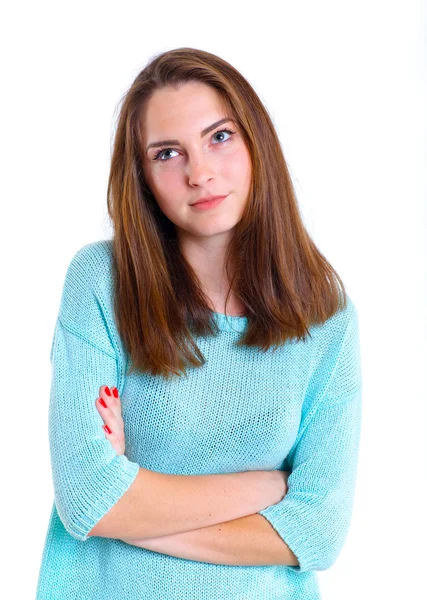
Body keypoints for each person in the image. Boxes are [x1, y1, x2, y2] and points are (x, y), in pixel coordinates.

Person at [35, 47, 362, 600]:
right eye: (167, 153)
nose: (200, 173)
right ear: (140, 176)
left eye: (219, 137)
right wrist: (265, 487)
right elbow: (88, 495)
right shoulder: (102, 283)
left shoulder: (325, 315)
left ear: (256, 141)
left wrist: (135, 505)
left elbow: (319, 533)